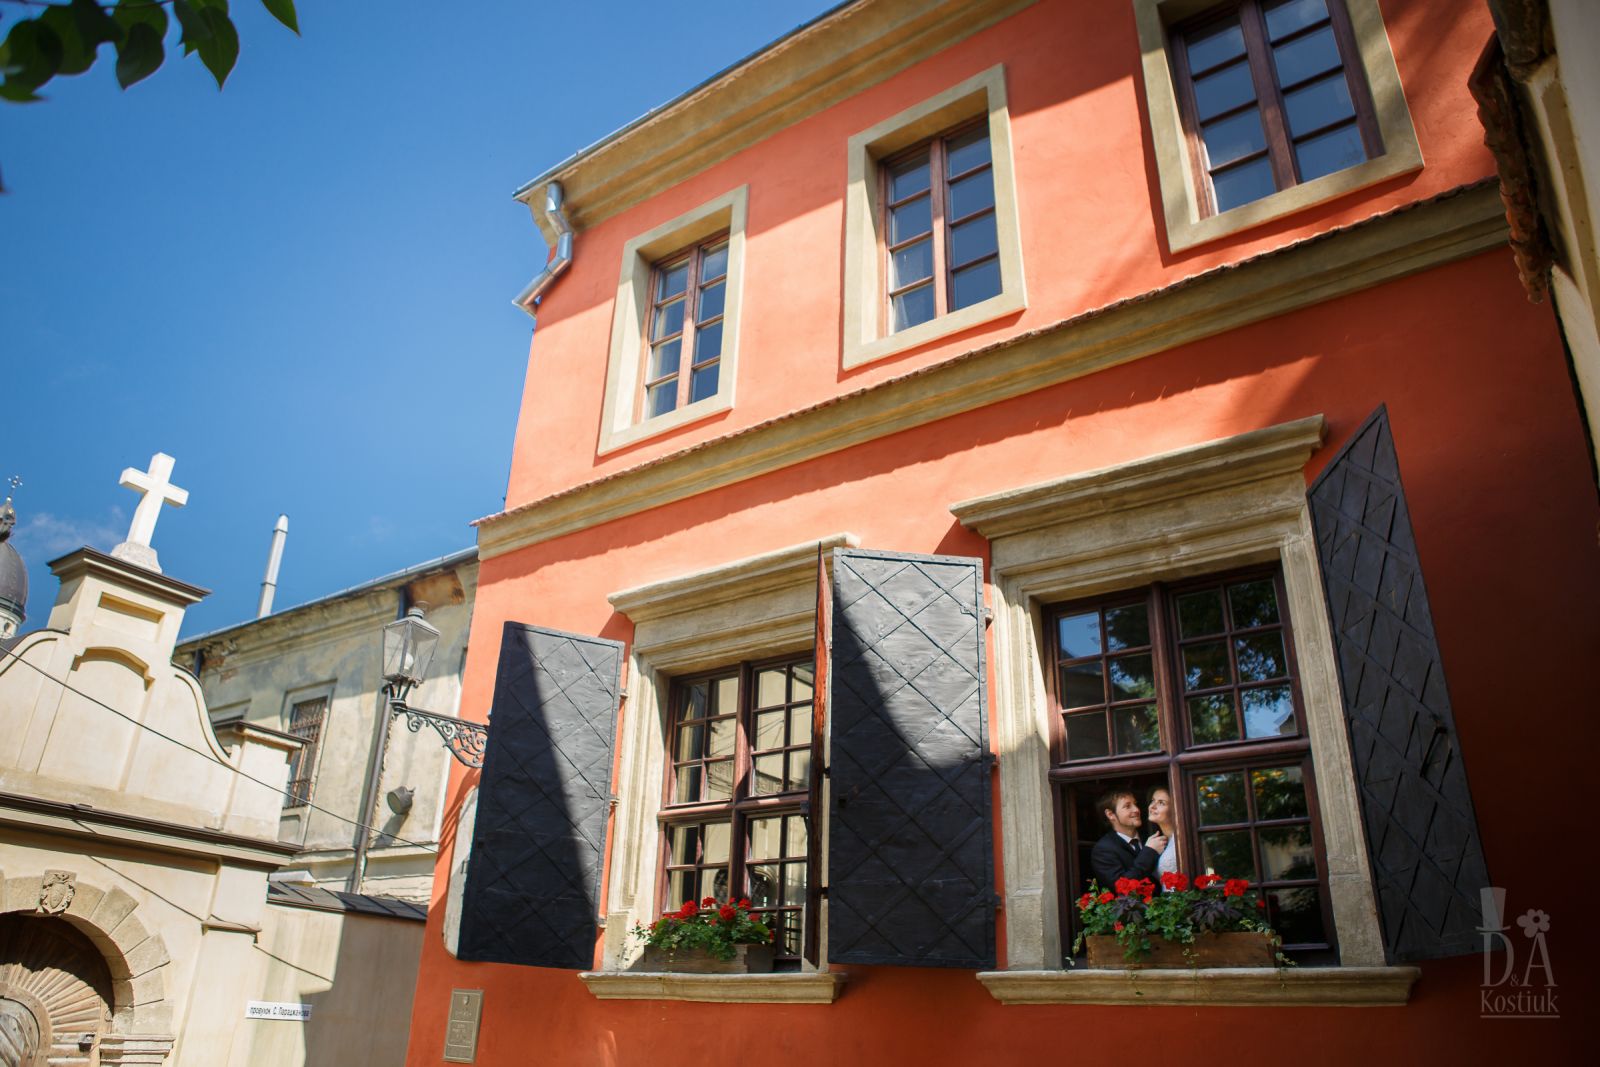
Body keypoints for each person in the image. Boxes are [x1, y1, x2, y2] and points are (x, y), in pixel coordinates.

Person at [1089, 789, 1166, 891]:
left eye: (1135, 804)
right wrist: (1149, 852)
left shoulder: (1151, 836)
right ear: (1110, 814)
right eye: (1127, 806)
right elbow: (1121, 888)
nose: (1136, 810)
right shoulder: (1103, 850)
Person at [1146, 785, 1179, 881]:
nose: (1152, 806)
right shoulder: (1156, 841)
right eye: (1153, 800)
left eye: (1161, 803)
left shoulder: (1182, 840)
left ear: (1174, 809)